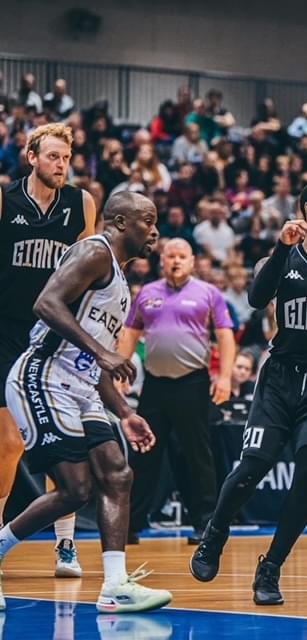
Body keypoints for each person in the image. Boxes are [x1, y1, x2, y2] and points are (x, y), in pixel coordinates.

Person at [190, 178, 307, 604]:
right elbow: (257, 298)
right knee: (253, 464)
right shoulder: (283, 256)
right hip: (279, 379)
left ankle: (271, 566)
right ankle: (215, 532)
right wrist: (279, 248)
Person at [0, 191, 172, 613]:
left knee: (118, 474)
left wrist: (125, 413)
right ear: (119, 222)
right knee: (75, 489)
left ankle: (115, 586)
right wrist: (101, 352)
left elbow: (96, 365)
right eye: (147, 220)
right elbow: (46, 303)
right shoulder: (95, 252)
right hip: (42, 375)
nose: (154, 231)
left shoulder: (122, 285)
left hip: (82, 386)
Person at [0, 123, 99, 579]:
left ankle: (66, 545)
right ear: (32, 157)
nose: (61, 165)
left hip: (53, 332)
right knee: (8, 445)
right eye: (53, 156)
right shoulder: (6, 199)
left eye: (66, 158)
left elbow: (87, 270)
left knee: (62, 439)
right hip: (6, 329)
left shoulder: (81, 203)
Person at [118, 237, 235, 545]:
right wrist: (119, 371)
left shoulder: (208, 293)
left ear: (192, 261)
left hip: (192, 383)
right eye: (171, 256)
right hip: (155, 385)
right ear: (162, 261)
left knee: (197, 456)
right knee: (144, 453)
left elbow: (225, 336)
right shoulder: (147, 293)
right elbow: (130, 333)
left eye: (182, 256)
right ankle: (130, 524)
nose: (176, 261)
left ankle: (205, 523)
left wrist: (224, 377)